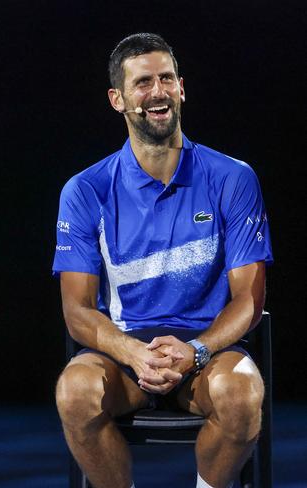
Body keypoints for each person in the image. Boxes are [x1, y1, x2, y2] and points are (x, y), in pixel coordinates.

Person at [53, 33, 272, 488]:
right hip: (124, 355)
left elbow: (248, 300)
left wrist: (196, 351)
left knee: (244, 392)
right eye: (143, 83)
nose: (158, 92)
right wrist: (134, 352)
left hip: (207, 353)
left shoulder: (233, 178)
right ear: (117, 99)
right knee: (74, 393)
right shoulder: (85, 190)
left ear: (182, 88)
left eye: (167, 79)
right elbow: (77, 310)